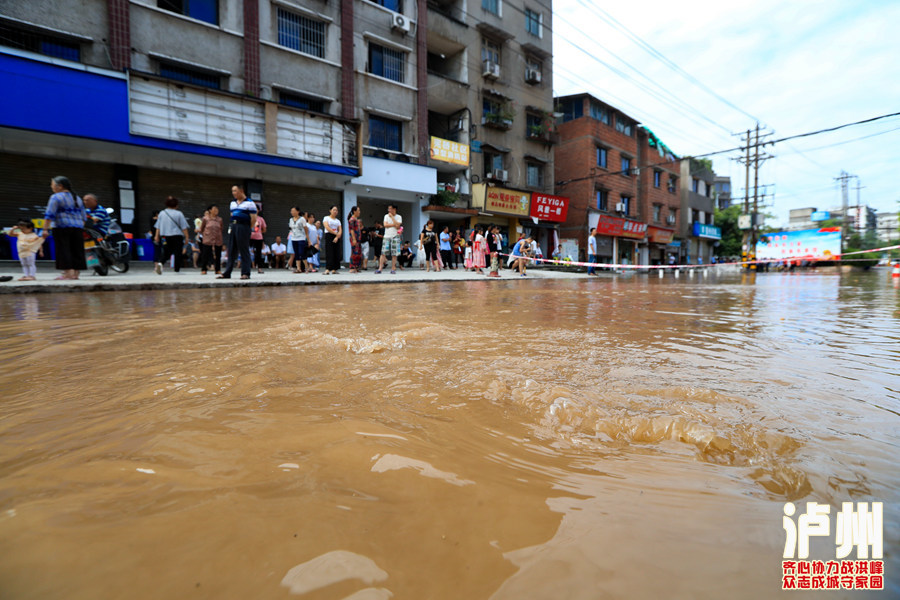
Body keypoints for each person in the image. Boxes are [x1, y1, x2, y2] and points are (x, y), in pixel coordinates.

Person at [42, 175, 87, 280]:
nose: (51, 187)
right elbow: (84, 217)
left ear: (60, 186)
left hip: (62, 227)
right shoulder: (77, 198)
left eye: (52, 185)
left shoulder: (56, 197)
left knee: (63, 249)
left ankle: (68, 274)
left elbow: (49, 214)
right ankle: (75, 274)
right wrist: (79, 227)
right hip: (78, 228)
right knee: (77, 250)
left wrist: (45, 229)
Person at [218, 184, 257, 280]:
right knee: (231, 250)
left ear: (241, 191)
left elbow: (253, 219)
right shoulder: (233, 203)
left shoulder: (250, 203)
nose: (233, 193)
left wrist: (247, 228)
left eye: (235, 191)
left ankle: (245, 273)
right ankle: (227, 273)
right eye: (232, 191)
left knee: (243, 250)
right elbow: (232, 215)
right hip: (233, 226)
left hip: (244, 226)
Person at [154, 196, 190, 274]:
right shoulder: (179, 214)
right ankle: (177, 270)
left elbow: (158, 226)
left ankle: (160, 263)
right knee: (177, 252)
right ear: (176, 205)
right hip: (176, 236)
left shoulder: (162, 213)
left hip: (164, 236)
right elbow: (184, 227)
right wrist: (187, 237)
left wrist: (156, 236)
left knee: (166, 251)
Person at [376, 204, 402, 274]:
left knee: (394, 254)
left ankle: (393, 268)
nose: (389, 210)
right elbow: (385, 225)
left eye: (390, 209)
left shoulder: (399, 217)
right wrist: (395, 224)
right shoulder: (386, 216)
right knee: (383, 252)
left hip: (395, 236)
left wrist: (393, 218)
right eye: (388, 209)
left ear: (394, 209)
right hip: (387, 236)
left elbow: (398, 227)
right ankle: (380, 268)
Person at [198, 205, 224, 275]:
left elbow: (221, 228)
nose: (216, 210)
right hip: (208, 239)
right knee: (205, 254)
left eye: (217, 209)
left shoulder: (220, 219)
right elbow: (202, 228)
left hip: (218, 239)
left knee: (218, 255)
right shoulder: (205, 219)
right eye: (214, 209)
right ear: (210, 210)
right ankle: (204, 269)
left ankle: (217, 269)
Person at [288, 207, 309, 274]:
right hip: (294, 238)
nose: (292, 212)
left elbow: (306, 228)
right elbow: (291, 228)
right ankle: (298, 268)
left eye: (293, 211)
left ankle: (306, 267)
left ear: (298, 211)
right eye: (291, 211)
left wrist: (307, 238)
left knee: (301, 253)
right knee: (296, 253)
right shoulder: (291, 219)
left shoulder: (302, 219)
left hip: (301, 238)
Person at [323, 205, 342, 275]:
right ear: (330, 210)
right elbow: (327, 227)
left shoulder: (338, 221)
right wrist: (335, 233)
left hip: (336, 236)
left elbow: (340, 230)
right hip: (329, 235)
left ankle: (334, 269)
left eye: (336, 210)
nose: (335, 211)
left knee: (336, 252)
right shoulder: (326, 218)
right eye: (334, 210)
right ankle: (328, 269)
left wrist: (337, 236)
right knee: (329, 252)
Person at [347, 205, 362, 274]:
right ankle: (352, 267)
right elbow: (352, 230)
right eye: (358, 210)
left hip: (358, 239)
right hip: (354, 238)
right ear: (354, 211)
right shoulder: (352, 220)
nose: (359, 212)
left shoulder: (356, 220)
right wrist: (354, 239)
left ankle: (356, 267)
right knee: (354, 252)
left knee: (358, 253)